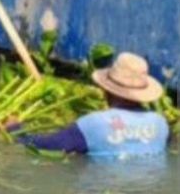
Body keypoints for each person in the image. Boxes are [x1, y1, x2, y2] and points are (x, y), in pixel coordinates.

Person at [9, 52, 169, 157]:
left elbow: (43, 146)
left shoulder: (94, 123)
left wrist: (15, 130)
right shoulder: (161, 124)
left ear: (106, 90)